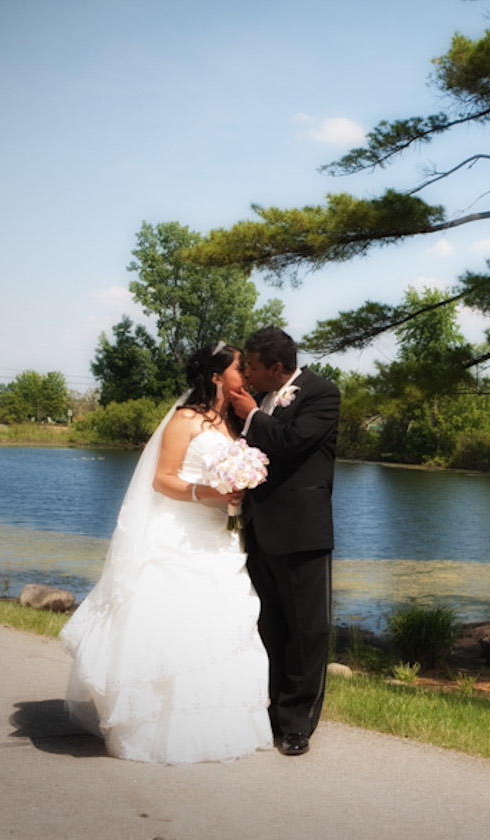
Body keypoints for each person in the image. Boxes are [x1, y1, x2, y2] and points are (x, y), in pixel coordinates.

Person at [61, 342, 274, 764]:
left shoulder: (231, 423)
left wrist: (236, 492)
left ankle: (216, 722)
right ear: (216, 377)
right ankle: (157, 725)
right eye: (238, 369)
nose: (245, 375)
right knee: (177, 616)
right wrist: (207, 492)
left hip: (221, 535)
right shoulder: (185, 420)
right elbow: (162, 479)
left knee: (223, 619)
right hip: (181, 533)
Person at [229, 326, 339, 757]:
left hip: (301, 532)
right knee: (270, 627)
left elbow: (292, 444)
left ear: (277, 368)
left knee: (307, 630)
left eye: (253, 366)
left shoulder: (321, 393)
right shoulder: (252, 403)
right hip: (259, 530)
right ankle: (269, 710)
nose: (247, 374)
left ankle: (297, 724)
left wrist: (254, 416)